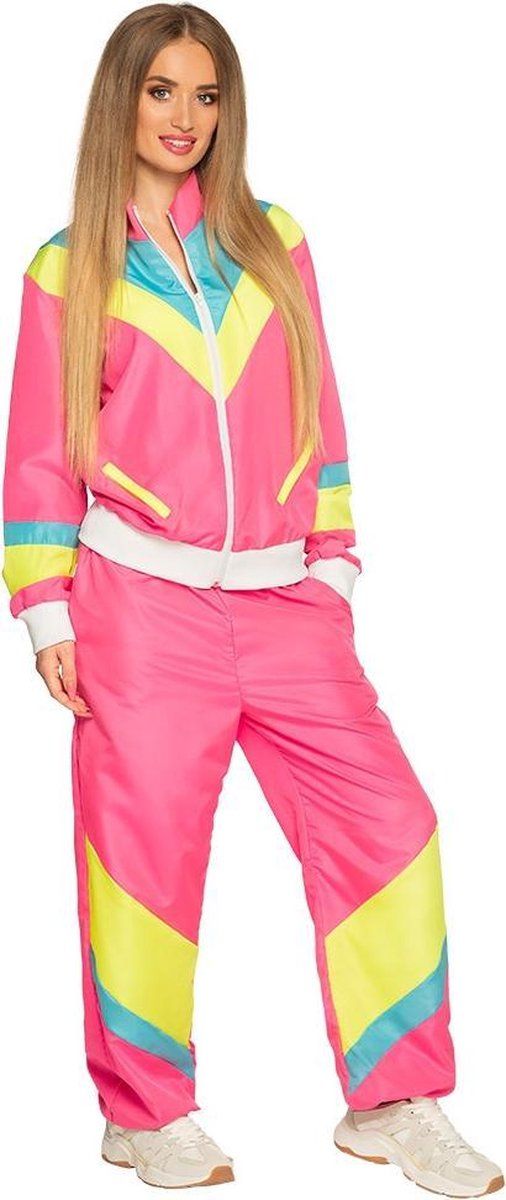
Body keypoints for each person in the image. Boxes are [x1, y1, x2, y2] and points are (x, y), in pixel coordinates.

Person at [2, 3, 502, 1195]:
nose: (184, 116)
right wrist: (46, 606)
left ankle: (392, 1099)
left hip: (287, 605)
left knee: (389, 827)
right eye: (161, 90)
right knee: (143, 862)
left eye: (206, 93)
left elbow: (319, 406)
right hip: (140, 607)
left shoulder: (273, 240)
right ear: (121, 100)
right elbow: (39, 451)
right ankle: (145, 1113)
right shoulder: (70, 265)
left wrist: (332, 563)